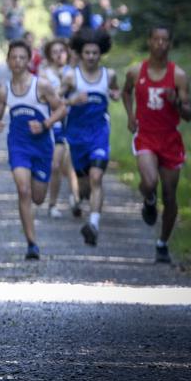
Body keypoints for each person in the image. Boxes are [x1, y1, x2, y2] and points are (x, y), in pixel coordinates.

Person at [121, 26, 191, 263]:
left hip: (170, 139)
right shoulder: (135, 71)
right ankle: (149, 200)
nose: (160, 44)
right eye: (156, 39)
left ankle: (162, 243)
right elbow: (126, 92)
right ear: (149, 41)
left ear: (170, 44)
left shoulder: (178, 76)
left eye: (165, 40)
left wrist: (177, 104)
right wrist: (131, 116)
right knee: (150, 182)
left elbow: (189, 114)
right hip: (146, 136)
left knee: (170, 194)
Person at [0, 40, 67, 259]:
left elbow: (61, 109)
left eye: (22, 57)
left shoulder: (41, 85)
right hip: (18, 145)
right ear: (8, 61)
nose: (17, 62)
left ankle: (32, 236)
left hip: (42, 146)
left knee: (38, 197)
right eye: (13, 57)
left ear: (29, 61)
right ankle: (32, 244)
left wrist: (45, 124)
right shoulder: (4, 90)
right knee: (23, 190)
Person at [60, 28, 120, 246]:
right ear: (80, 53)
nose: (92, 57)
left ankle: (93, 224)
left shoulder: (109, 75)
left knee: (97, 177)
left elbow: (115, 91)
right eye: (87, 53)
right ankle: (78, 198)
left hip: (99, 133)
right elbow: (55, 101)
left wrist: (115, 95)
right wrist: (71, 101)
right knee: (84, 185)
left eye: (95, 53)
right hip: (76, 136)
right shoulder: (70, 77)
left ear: (101, 53)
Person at [40, 39, 81, 218]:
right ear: (49, 54)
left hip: (73, 123)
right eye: (54, 51)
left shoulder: (74, 73)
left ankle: (76, 198)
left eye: (62, 51)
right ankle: (53, 204)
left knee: (70, 165)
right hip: (53, 123)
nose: (59, 54)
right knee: (55, 165)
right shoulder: (44, 73)